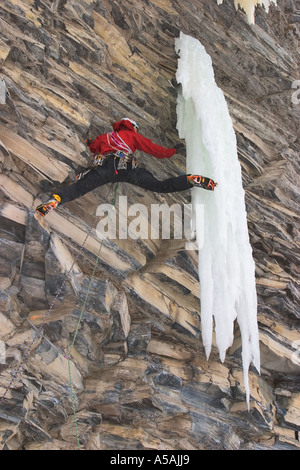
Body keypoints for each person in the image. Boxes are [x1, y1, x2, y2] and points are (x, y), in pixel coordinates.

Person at [35, 117, 216, 216]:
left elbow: (93, 147)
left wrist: (90, 141)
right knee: (159, 186)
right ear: (132, 127)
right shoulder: (133, 136)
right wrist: (172, 151)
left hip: (103, 169)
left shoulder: (105, 137)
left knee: (77, 189)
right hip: (126, 170)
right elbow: (156, 151)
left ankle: (54, 201)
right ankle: (191, 180)